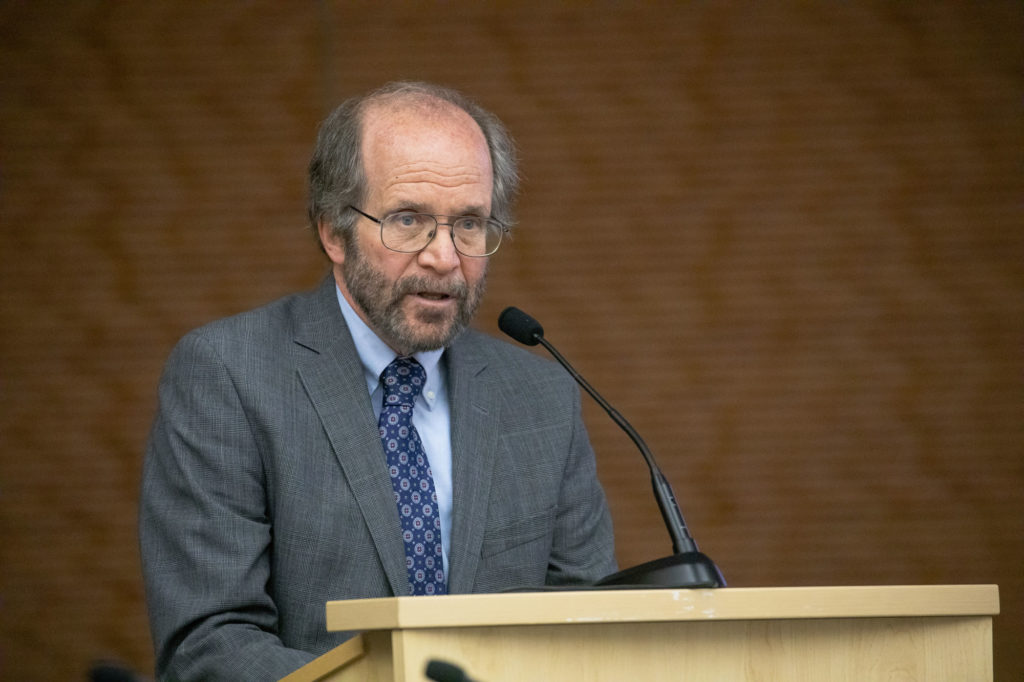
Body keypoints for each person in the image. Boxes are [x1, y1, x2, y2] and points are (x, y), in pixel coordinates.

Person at [139, 81, 616, 681]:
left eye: (469, 224)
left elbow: (592, 627)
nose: (444, 257)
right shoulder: (228, 376)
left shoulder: (540, 398)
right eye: (408, 220)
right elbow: (208, 646)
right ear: (334, 232)